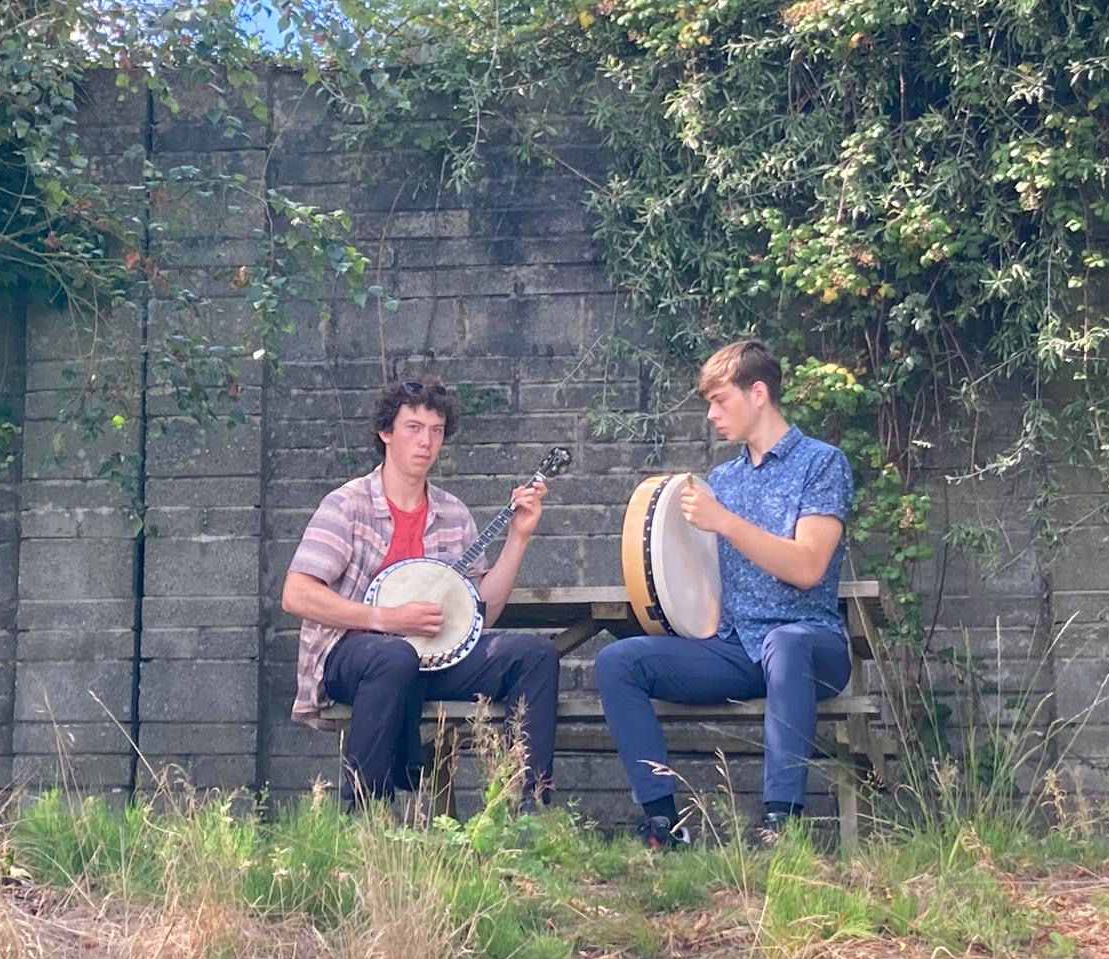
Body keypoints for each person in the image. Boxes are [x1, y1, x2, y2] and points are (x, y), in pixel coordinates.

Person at [595, 340, 854, 847]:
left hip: (811, 647)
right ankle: (663, 825)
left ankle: (780, 823)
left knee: (787, 642)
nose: (711, 414)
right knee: (617, 662)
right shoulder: (722, 479)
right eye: (708, 403)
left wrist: (726, 523)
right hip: (738, 649)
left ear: (758, 393)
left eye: (721, 400)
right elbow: (701, 578)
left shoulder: (822, 464)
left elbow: (807, 567)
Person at [283, 378, 561, 809]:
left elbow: (480, 615)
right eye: (413, 427)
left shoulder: (453, 513)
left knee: (534, 654)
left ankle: (530, 807)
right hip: (353, 656)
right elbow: (296, 594)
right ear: (386, 433)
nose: (426, 441)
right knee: (394, 656)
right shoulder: (347, 505)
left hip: (435, 658)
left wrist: (518, 539)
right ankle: (364, 810)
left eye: (436, 430)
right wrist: (386, 620)